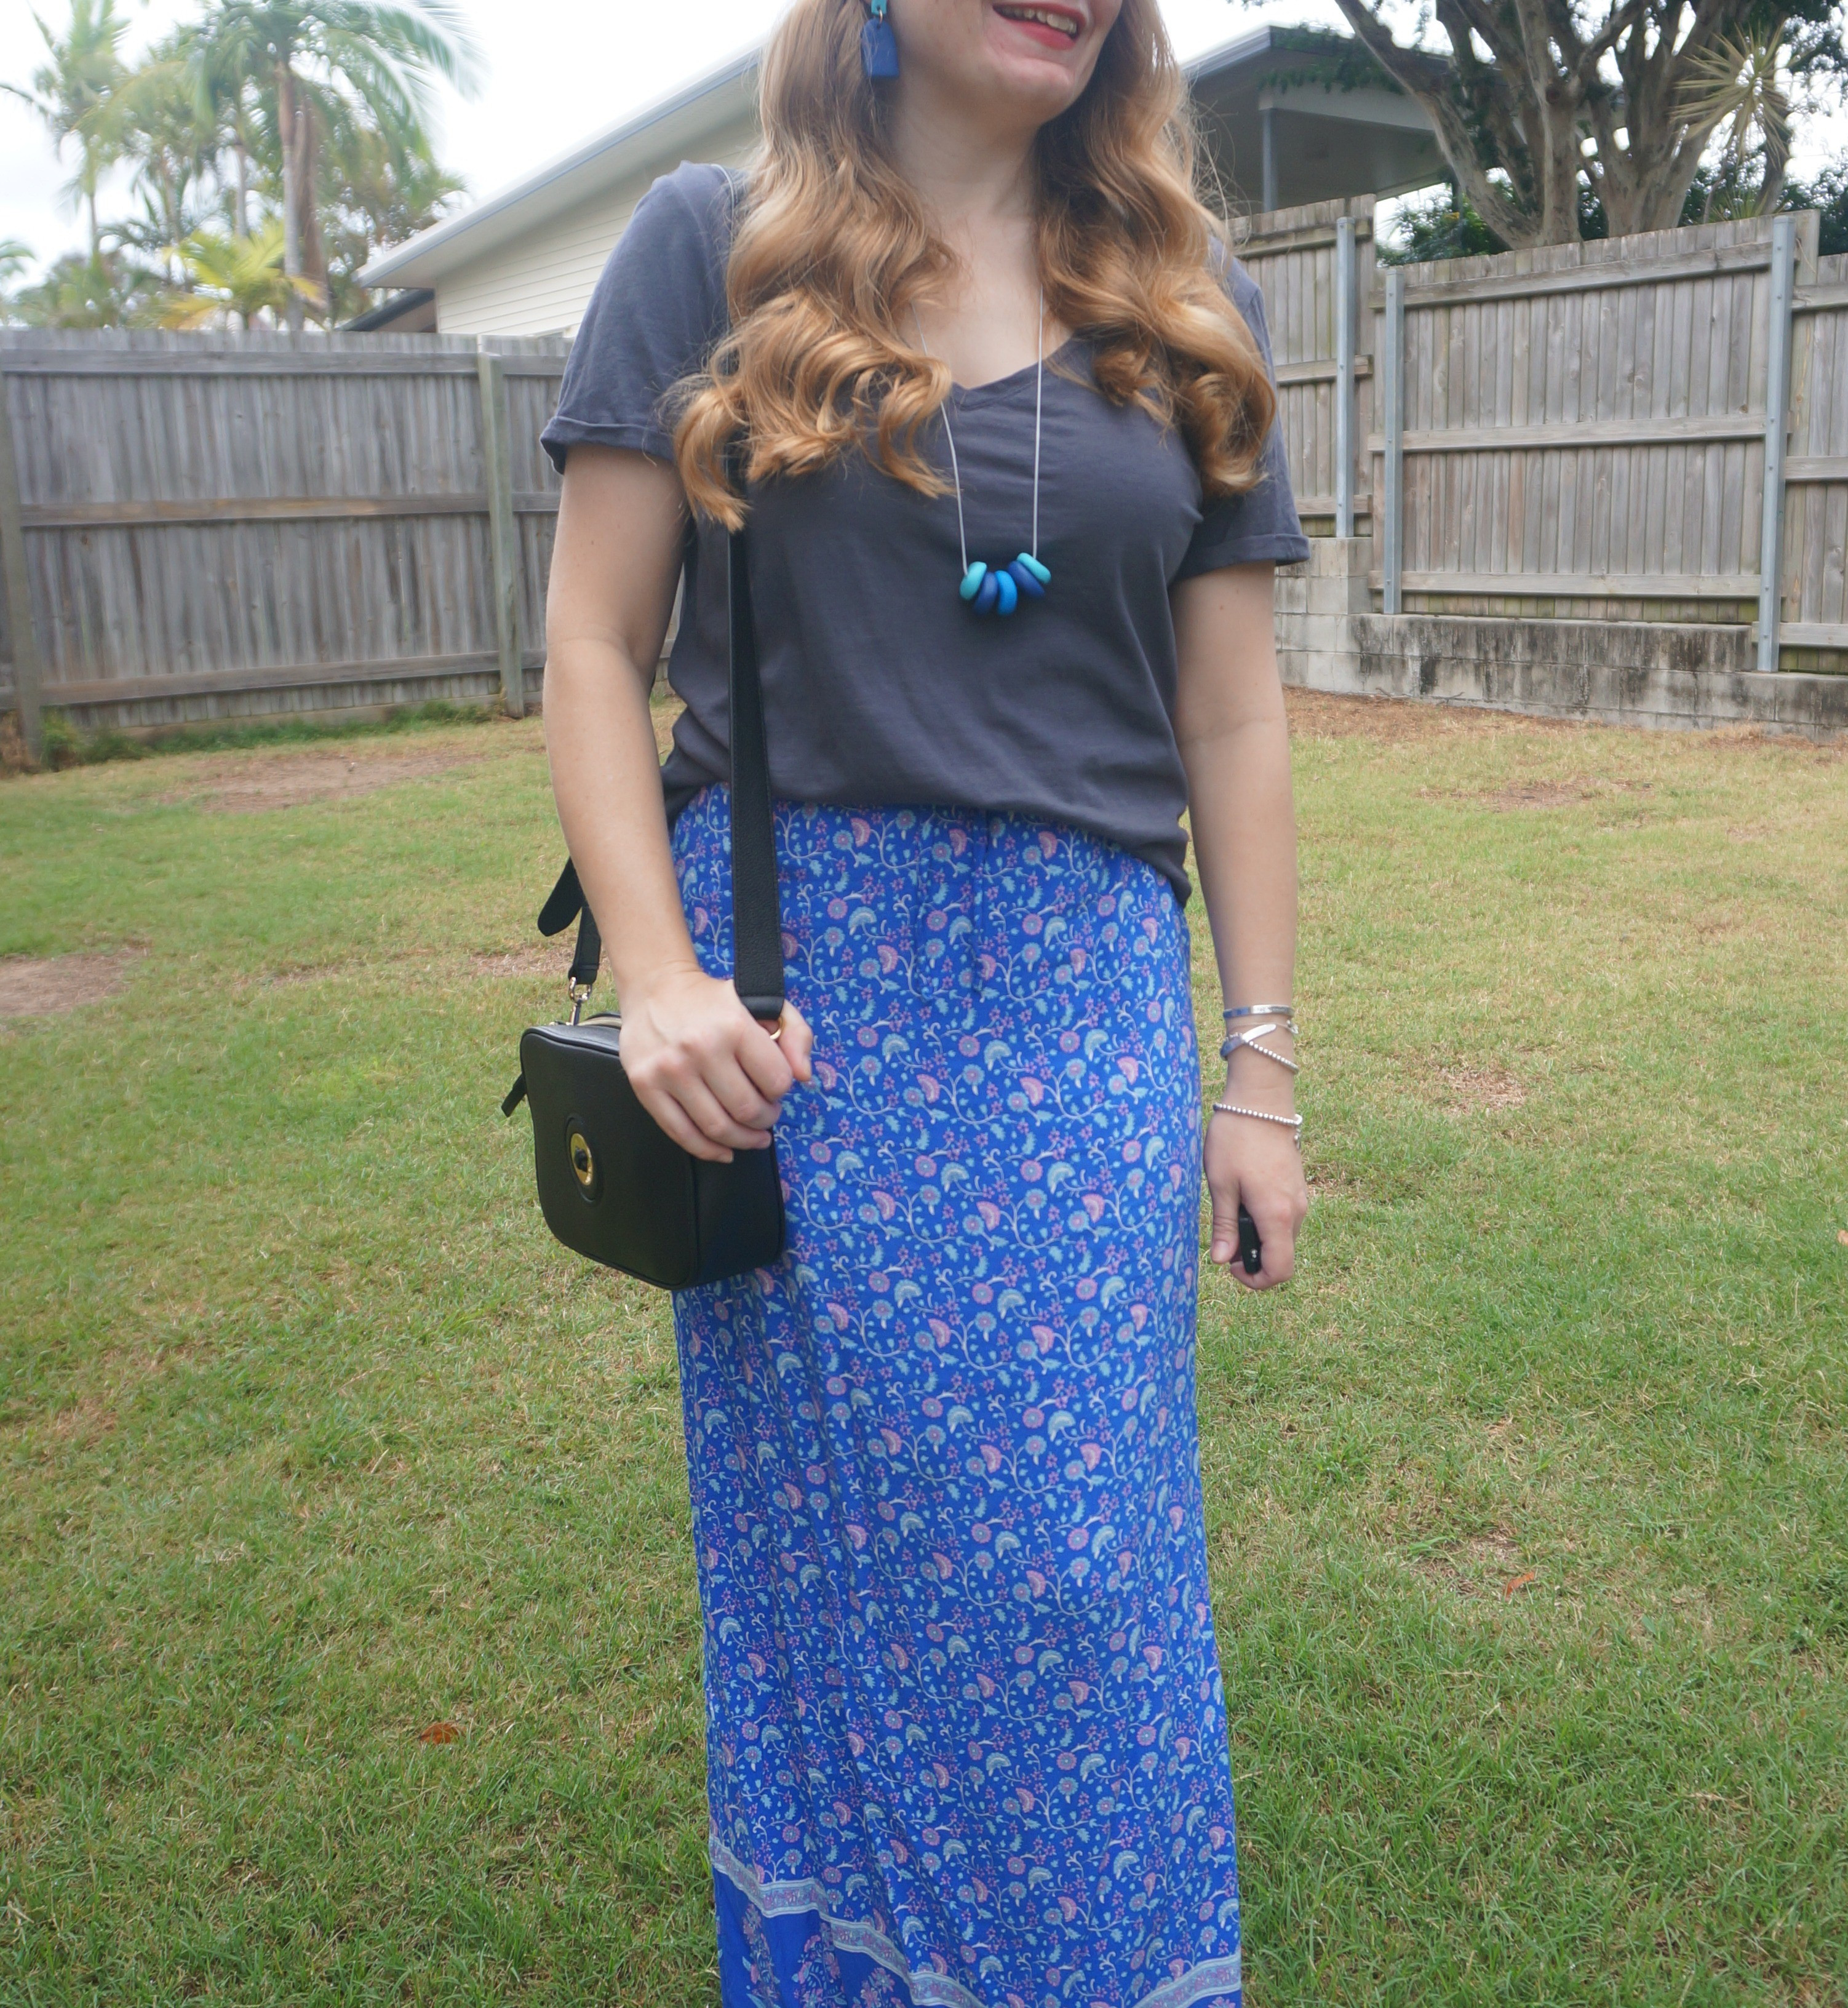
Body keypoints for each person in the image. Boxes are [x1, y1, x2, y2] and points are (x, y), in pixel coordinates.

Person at [538, 0, 1310, 2000]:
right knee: (842, 1575)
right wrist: (656, 973)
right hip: (800, 1029)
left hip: (1085, 1003)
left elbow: (1232, 715)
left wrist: (1264, 1068)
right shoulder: (712, 247)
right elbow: (594, 639)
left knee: (1083, 1569)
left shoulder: (1183, 296)